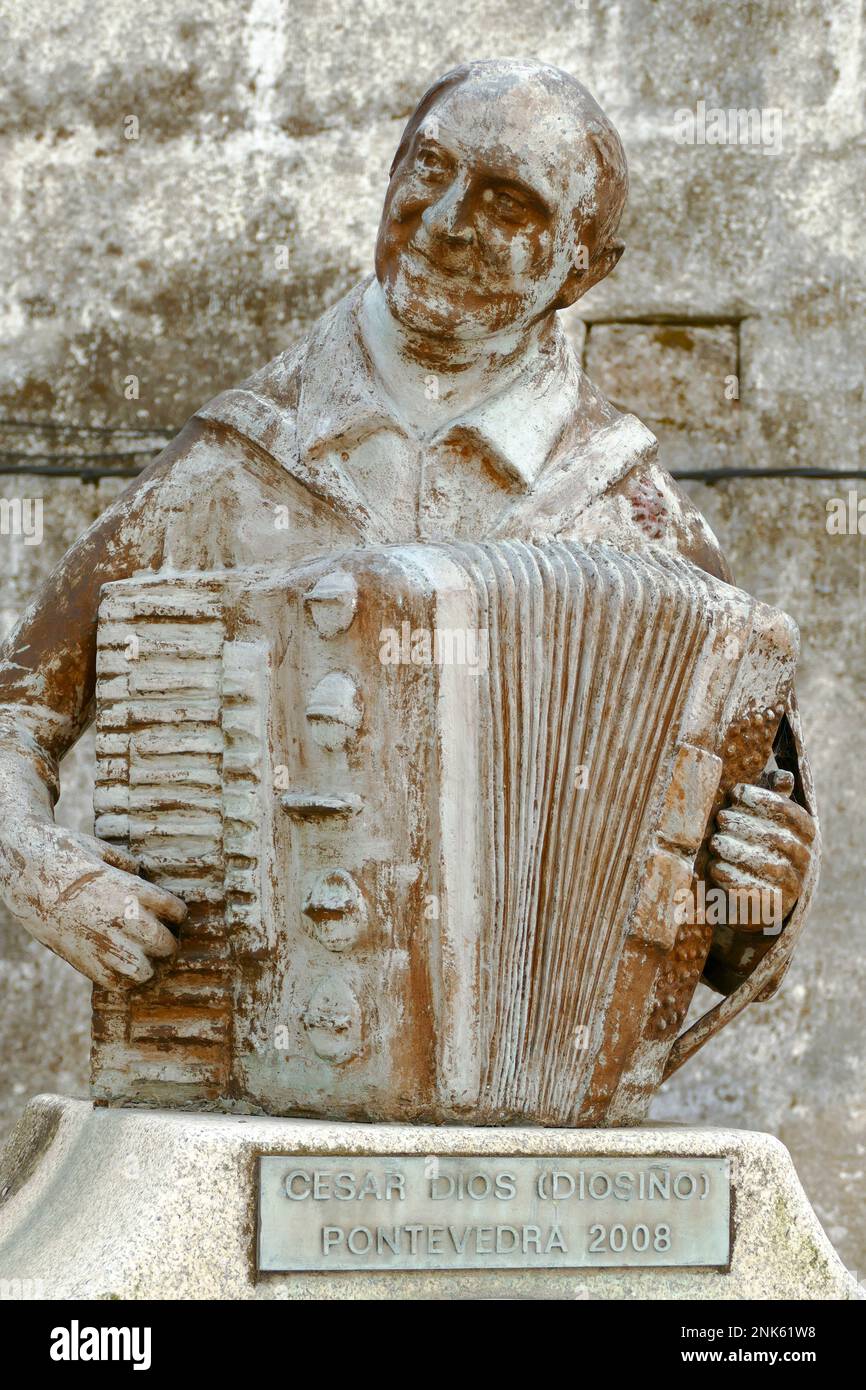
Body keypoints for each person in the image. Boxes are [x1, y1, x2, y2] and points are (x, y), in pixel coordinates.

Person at [0, 59, 816, 1002]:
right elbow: (17, 715)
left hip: (531, 1066)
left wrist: (757, 902)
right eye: (429, 167)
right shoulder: (231, 467)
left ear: (583, 271)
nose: (445, 224)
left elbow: (724, 942)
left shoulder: (639, 526)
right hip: (246, 1036)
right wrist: (38, 869)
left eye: (511, 205)